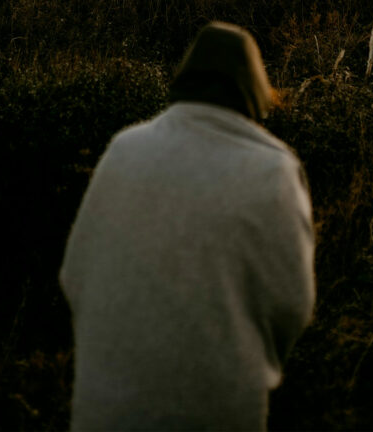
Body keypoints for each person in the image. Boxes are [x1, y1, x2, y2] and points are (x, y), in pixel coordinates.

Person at [59, 21, 315, 431]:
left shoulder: (124, 147)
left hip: (103, 410)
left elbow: (74, 276)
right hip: (215, 411)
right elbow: (292, 305)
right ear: (254, 94)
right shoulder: (274, 170)